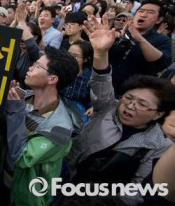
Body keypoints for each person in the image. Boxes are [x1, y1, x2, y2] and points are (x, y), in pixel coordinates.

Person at [66, 17, 174, 205]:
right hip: (66, 176)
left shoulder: (159, 146)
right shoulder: (109, 107)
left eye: (142, 104)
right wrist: (100, 53)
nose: (130, 106)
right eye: (129, 98)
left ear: (158, 114)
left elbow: (137, 191)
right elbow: (101, 82)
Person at [5, 46, 82, 206]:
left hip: (25, 195)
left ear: (52, 79)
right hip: (4, 180)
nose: (30, 68)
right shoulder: (24, 97)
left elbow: (21, 158)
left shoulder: (60, 128)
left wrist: (15, 110)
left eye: (37, 66)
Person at [110, 0, 172, 95]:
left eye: (150, 12)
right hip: (105, 87)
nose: (143, 14)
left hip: (130, 93)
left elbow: (162, 61)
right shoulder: (121, 33)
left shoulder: (162, 40)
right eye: (141, 11)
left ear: (158, 19)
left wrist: (139, 39)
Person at [61, 40, 93, 111]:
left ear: (85, 59)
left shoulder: (90, 77)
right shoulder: (60, 69)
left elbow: (93, 100)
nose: (69, 58)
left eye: (75, 56)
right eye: (68, 53)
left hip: (78, 112)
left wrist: (93, 107)